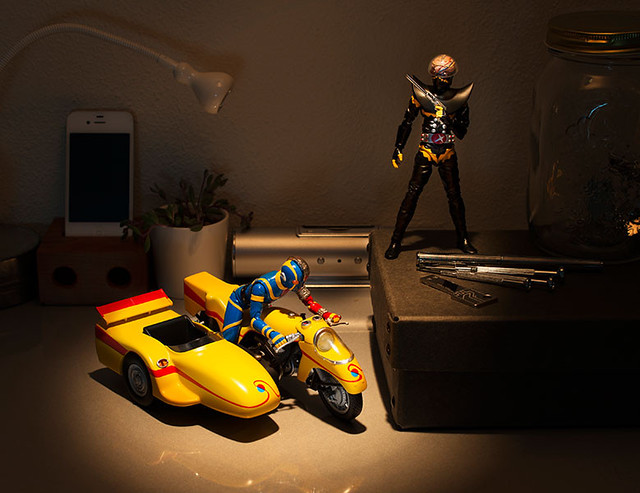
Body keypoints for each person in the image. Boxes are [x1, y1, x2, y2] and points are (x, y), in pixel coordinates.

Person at [385, 54, 477, 260]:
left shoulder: (459, 101)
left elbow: (462, 132)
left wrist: (447, 118)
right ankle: (395, 241)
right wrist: (398, 147)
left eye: (445, 78)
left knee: (455, 197)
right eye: (438, 77)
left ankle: (463, 239)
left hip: (447, 151)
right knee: (411, 195)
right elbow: (406, 122)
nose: (441, 81)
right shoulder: (421, 96)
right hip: (426, 150)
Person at [221, 256, 341, 351]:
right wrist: (273, 334)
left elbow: (309, 302)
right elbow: (254, 319)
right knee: (230, 340)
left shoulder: (291, 283)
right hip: (240, 302)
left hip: (263, 304)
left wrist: (326, 314)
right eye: (298, 282)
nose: (300, 286)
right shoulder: (261, 287)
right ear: (290, 280)